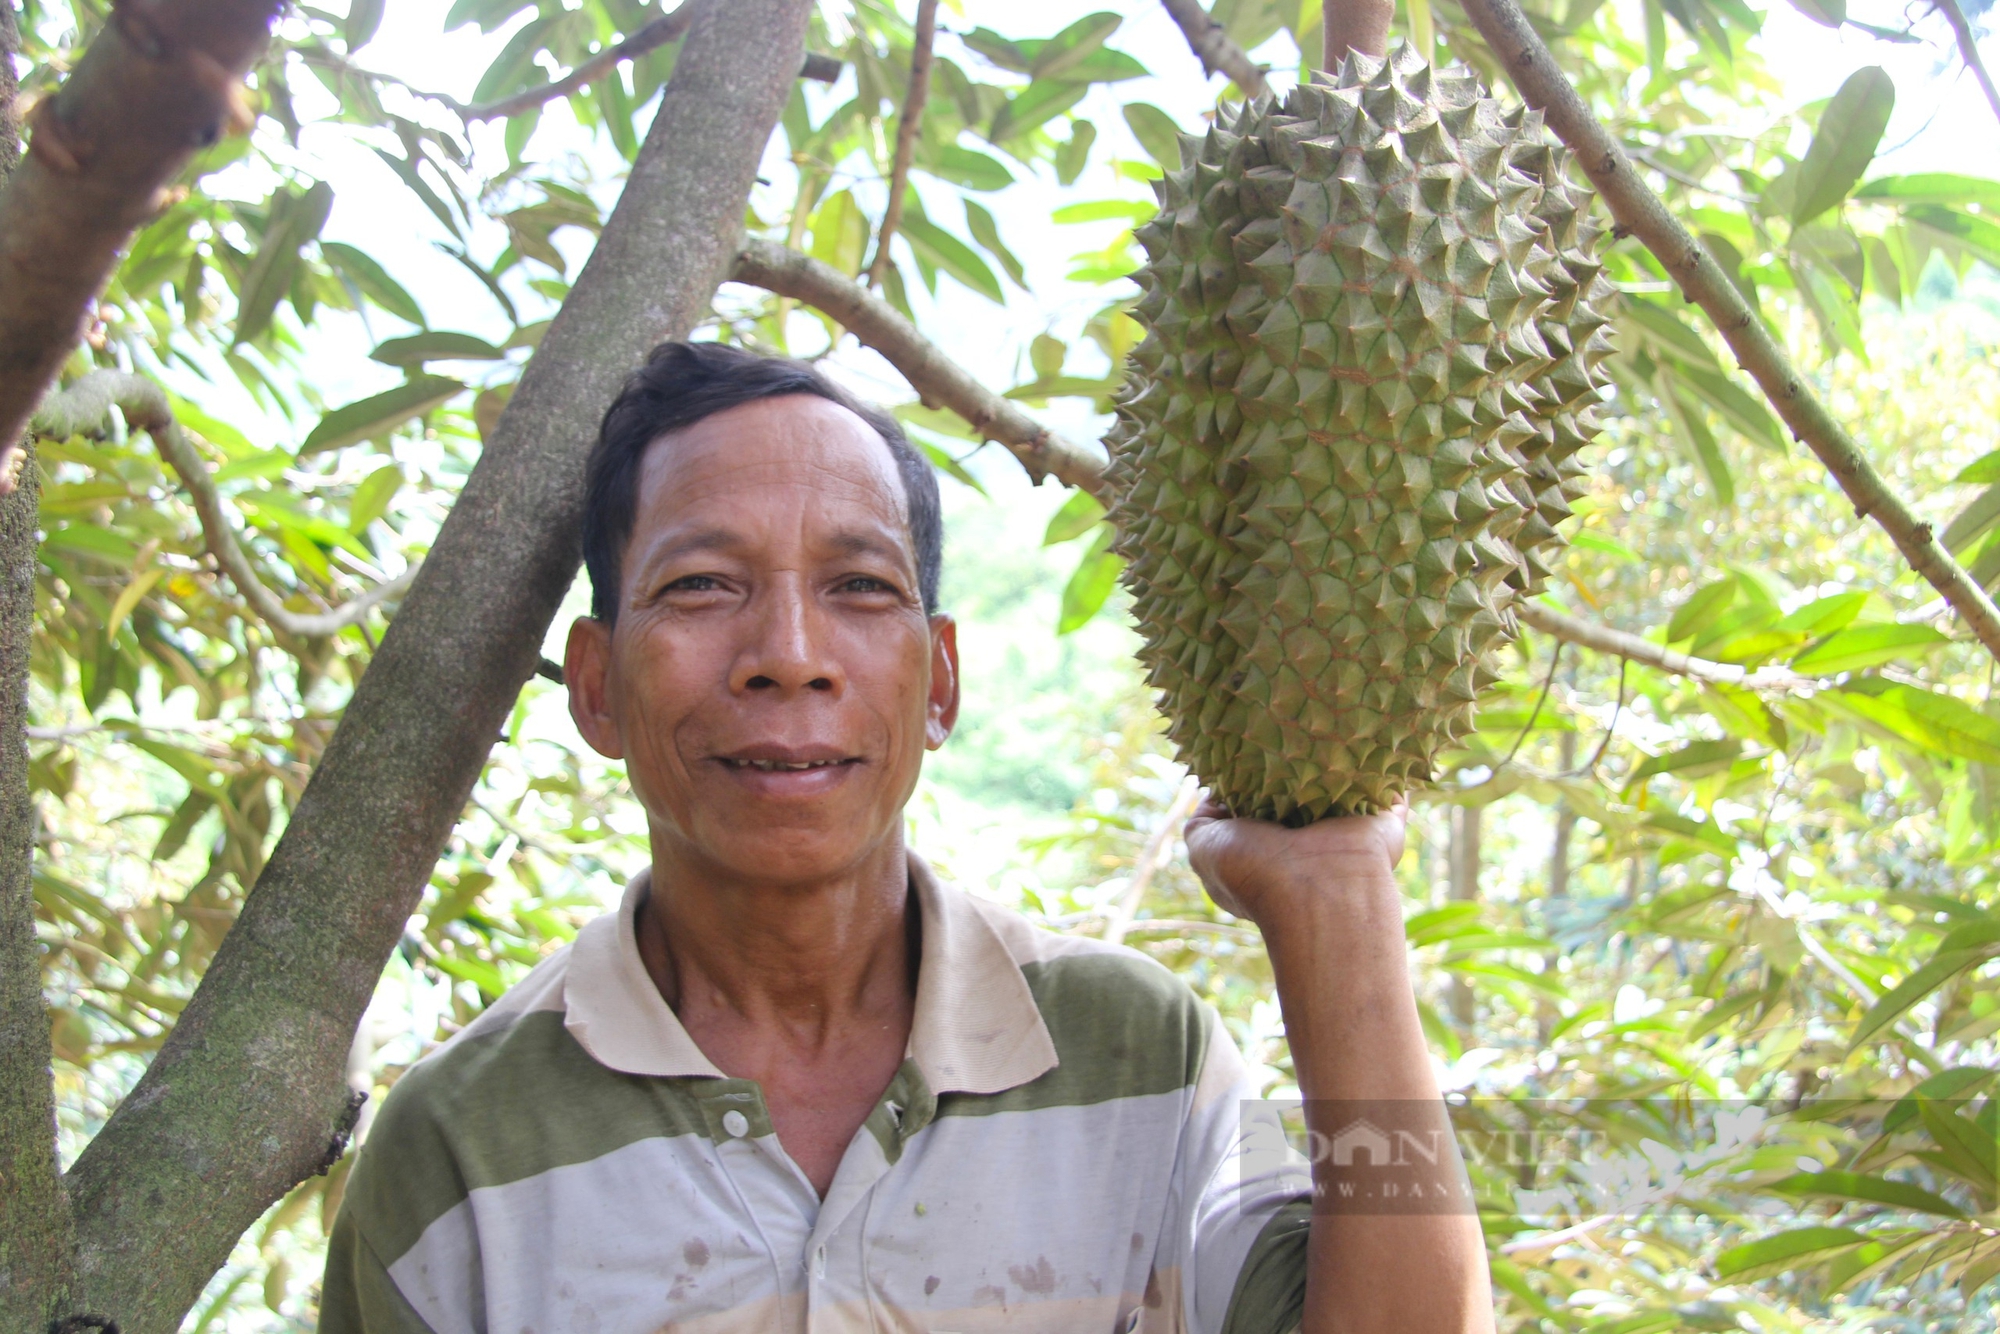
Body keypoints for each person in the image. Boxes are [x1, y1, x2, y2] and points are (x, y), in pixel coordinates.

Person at [318, 341, 1492, 1333]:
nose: (790, 651)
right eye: (700, 585)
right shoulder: (457, 1150)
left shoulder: (1137, 1057)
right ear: (595, 688)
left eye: (859, 587)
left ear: (937, 683)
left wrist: (1335, 895)